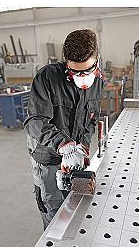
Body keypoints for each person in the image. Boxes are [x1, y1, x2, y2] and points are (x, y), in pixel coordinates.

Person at [24, 29, 104, 229]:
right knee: (53, 209)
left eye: (87, 70)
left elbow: (90, 120)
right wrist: (64, 145)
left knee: (74, 202)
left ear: (97, 59)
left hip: (74, 155)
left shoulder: (98, 82)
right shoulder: (47, 77)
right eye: (75, 72)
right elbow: (34, 121)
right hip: (48, 156)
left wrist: (82, 148)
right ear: (66, 61)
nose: (82, 78)